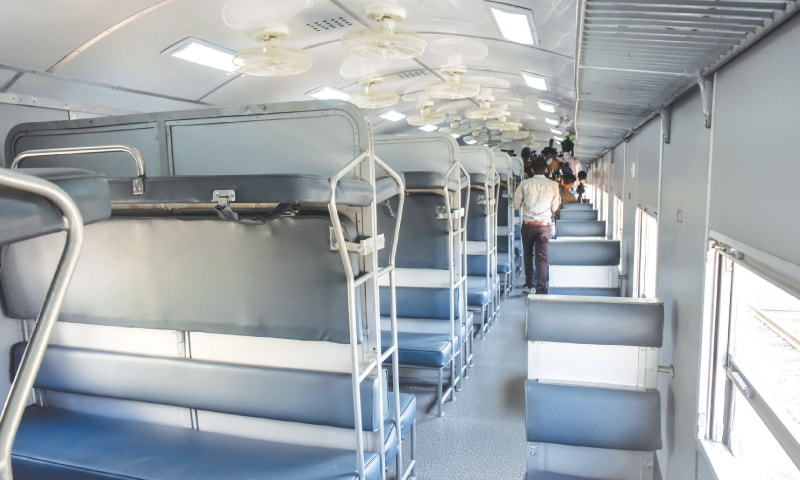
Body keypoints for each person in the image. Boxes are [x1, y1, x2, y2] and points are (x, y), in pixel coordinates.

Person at [513, 156, 560, 295]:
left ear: (532, 169)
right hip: (544, 225)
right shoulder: (553, 185)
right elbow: (554, 207)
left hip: (528, 224)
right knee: (543, 257)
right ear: (546, 169)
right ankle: (540, 287)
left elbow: (516, 204)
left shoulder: (524, 184)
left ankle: (530, 284)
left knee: (528, 254)